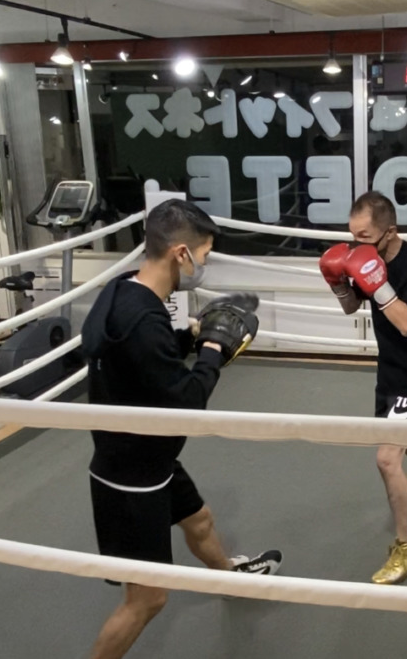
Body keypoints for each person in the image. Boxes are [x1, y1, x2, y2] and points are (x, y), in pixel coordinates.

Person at [82, 198, 282, 659]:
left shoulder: (123, 291)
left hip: (149, 455)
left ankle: (229, 581)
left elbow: (142, 360)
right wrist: (213, 351)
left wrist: (189, 337)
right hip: (131, 477)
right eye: (204, 255)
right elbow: (187, 401)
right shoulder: (143, 320)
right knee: (148, 598)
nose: (203, 265)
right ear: (181, 254)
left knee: (200, 519)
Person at [319, 190, 407, 585]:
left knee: (387, 459)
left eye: (365, 237)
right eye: (352, 235)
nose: (356, 244)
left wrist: (378, 285)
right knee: (397, 432)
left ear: (390, 231)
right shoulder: (363, 257)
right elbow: (351, 307)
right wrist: (338, 281)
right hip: (390, 368)